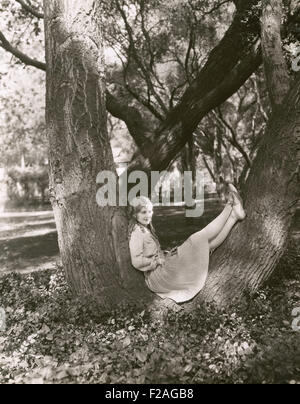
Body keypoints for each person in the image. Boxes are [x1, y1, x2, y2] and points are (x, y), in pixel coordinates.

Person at [128, 184, 246, 303]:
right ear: (134, 214)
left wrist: (164, 255)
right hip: (159, 276)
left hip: (162, 268)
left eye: (150, 211)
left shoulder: (143, 229)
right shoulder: (136, 233)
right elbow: (136, 261)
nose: (148, 215)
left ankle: (233, 216)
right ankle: (230, 205)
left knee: (205, 245)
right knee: (197, 239)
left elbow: (152, 252)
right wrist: (155, 262)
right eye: (143, 212)